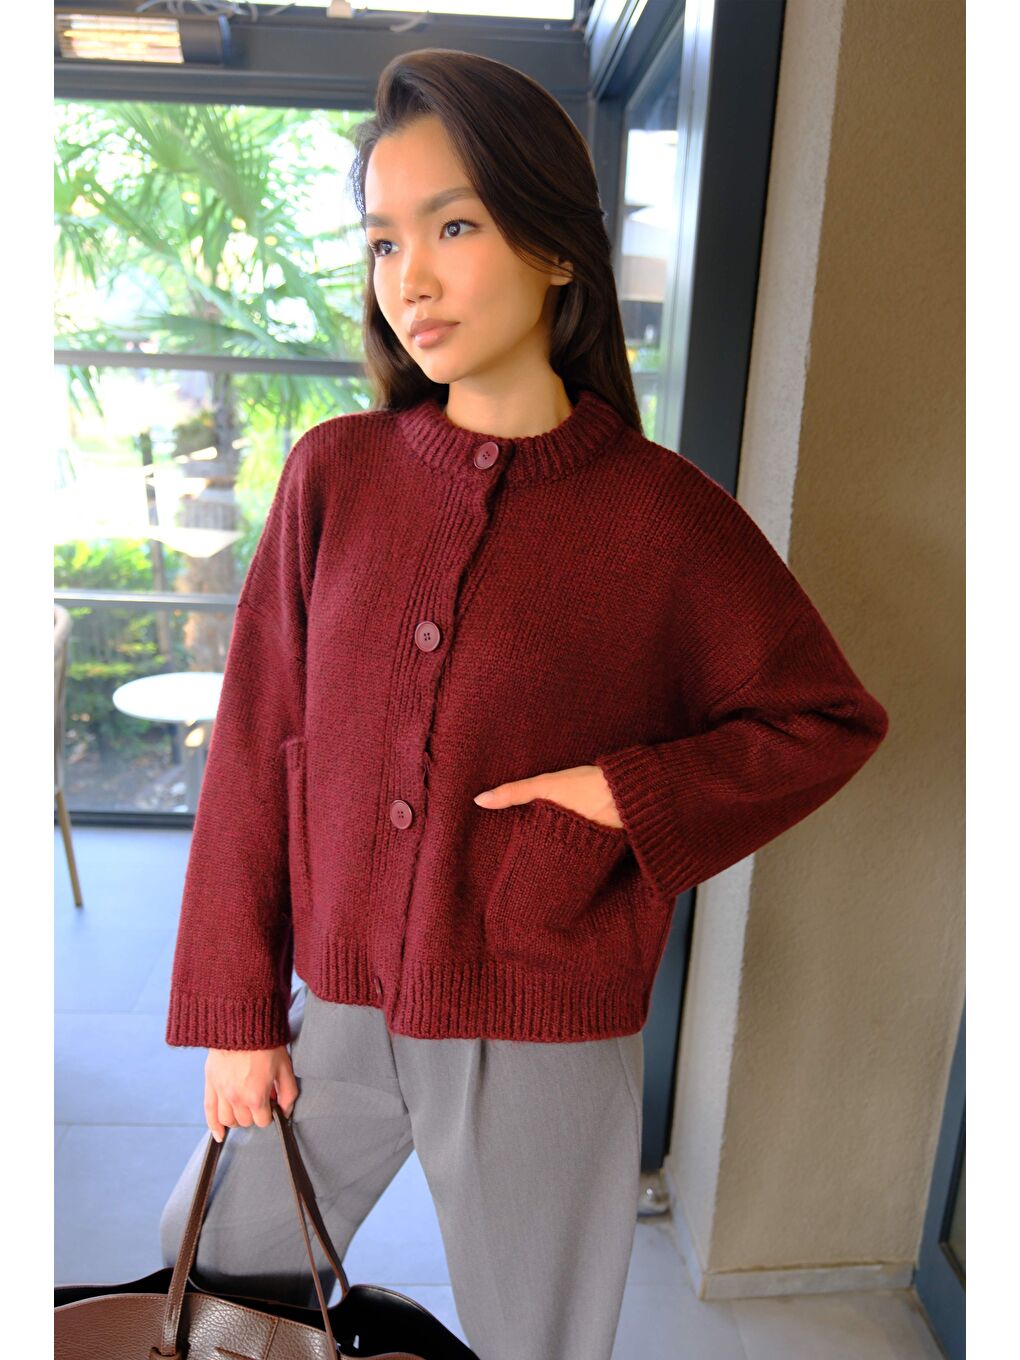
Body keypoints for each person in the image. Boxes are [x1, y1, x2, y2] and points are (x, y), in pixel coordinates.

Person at [158, 48, 889, 1360]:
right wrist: (236, 1014)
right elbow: (258, 747)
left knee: (537, 1340)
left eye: (454, 227)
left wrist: (625, 797)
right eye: (384, 241)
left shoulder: (663, 519)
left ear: (555, 249)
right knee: (209, 1266)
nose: (410, 279)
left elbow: (825, 719)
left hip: (542, 1013)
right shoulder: (336, 477)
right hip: (344, 1009)